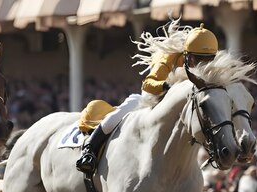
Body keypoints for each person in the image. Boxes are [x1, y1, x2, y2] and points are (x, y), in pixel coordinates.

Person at [76, 22, 219, 175]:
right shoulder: (167, 57)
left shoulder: (211, 66)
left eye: (207, 60)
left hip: (186, 105)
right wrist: (170, 89)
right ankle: (90, 150)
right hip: (153, 99)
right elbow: (148, 84)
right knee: (127, 106)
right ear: (186, 54)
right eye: (196, 59)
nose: (200, 65)